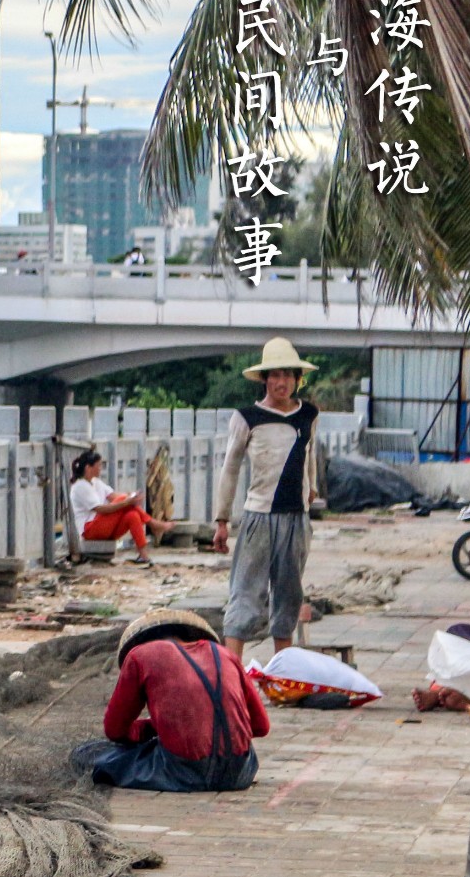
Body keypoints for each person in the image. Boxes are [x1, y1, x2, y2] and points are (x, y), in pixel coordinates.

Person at [72, 609, 270, 792]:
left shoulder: (140, 655)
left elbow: (115, 731)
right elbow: (261, 727)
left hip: (182, 773)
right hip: (240, 771)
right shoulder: (225, 654)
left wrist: (150, 729)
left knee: (87, 753)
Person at [212, 337, 322, 659]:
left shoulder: (309, 414)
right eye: (274, 375)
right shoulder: (247, 417)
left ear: (297, 379)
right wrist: (222, 521)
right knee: (246, 592)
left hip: (296, 519)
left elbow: (310, 452)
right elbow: (230, 469)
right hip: (258, 517)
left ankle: (281, 671)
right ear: (264, 380)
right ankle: (231, 672)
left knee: (289, 596)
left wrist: (311, 488)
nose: (281, 382)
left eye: (288, 375)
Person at [69, 449, 174, 567]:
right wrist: (127, 501)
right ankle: (153, 524)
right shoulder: (80, 486)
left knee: (132, 515)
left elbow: (113, 496)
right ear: (88, 468)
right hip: (89, 529)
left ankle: (144, 556)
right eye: (98, 466)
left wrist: (131, 497)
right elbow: (101, 509)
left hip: (103, 527)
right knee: (125, 500)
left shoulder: (96, 482)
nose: (100, 469)